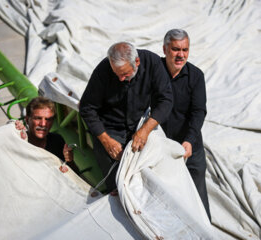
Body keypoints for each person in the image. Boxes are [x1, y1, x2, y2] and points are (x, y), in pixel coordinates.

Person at [79, 42, 173, 193]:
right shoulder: (103, 70)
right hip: (110, 128)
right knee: (117, 178)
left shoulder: (152, 63)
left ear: (137, 62)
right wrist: (105, 140)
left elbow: (166, 100)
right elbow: (87, 107)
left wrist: (145, 129)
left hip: (140, 125)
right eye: (117, 75)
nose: (121, 79)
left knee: (158, 166)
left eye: (125, 74)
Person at [161, 29, 211, 220]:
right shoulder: (154, 71)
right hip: (163, 147)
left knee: (198, 198)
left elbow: (198, 112)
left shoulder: (196, 76)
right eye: (175, 49)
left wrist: (189, 141)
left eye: (185, 50)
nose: (181, 55)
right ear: (165, 49)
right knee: (167, 197)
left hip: (190, 147)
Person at [15, 96, 80, 174]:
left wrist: (69, 161)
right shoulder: (18, 142)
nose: (43, 124)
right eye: (38, 118)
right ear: (27, 120)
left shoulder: (57, 140)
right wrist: (13, 128)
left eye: (48, 119)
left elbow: (76, 175)